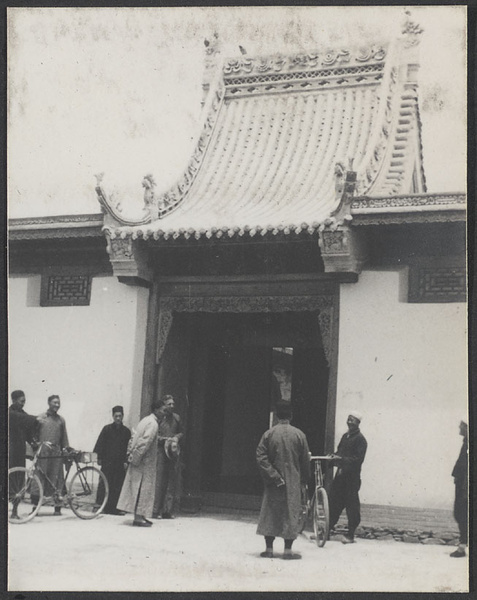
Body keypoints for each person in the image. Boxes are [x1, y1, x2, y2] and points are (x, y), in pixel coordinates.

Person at [256, 400, 310, 560]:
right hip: (293, 480)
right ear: (291, 416)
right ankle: (287, 551)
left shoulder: (269, 434)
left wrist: (273, 475)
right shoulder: (299, 435)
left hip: (274, 482)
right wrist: (304, 480)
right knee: (290, 512)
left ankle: (269, 549)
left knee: (271, 512)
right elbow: (305, 461)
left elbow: (260, 457)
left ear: (277, 416)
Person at [117, 399, 164, 527]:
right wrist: (136, 458)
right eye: (163, 410)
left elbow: (133, 437)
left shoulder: (145, 420)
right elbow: (145, 442)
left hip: (139, 460)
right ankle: (138, 517)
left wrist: (130, 454)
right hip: (144, 462)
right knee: (142, 489)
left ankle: (141, 515)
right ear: (156, 410)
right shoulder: (153, 424)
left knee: (140, 488)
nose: (164, 413)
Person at [328, 411, 367, 544]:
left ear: (358, 423)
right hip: (340, 477)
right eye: (348, 419)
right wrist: (333, 457)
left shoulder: (361, 440)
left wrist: (341, 459)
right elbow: (339, 452)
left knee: (352, 507)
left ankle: (350, 535)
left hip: (351, 479)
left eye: (353, 420)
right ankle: (327, 531)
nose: (349, 422)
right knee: (333, 504)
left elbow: (357, 460)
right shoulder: (345, 437)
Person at [34, 395, 70, 515]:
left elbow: (64, 437)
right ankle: (35, 507)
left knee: (57, 479)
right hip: (43, 453)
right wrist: (35, 446)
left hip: (56, 454)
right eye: (54, 402)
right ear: (48, 403)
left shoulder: (61, 420)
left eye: (58, 403)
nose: (57, 405)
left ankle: (57, 507)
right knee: (39, 478)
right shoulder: (41, 418)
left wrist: (65, 450)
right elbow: (34, 435)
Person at [93, 405, 131, 515]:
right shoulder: (107, 429)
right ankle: (100, 506)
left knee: (117, 485)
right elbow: (100, 443)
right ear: (113, 417)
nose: (118, 418)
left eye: (120, 416)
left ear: (123, 416)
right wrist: (99, 457)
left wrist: (126, 461)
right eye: (116, 416)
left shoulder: (126, 432)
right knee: (104, 483)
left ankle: (114, 508)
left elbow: (128, 448)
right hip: (107, 462)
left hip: (119, 464)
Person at [152, 395, 184, 520]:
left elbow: (181, 432)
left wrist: (176, 438)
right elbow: (154, 435)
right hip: (161, 452)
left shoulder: (176, 418)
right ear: (164, 405)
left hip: (172, 453)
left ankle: (167, 510)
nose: (171, 406)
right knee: (160, 481)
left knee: (171, 481)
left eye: (173, 404)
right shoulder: (160, 418)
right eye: (169, 404)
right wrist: (165, 440)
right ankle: (156, 510)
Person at [450, 419, 468, 558]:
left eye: (461, 424)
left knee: (461, 513)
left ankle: (462, 547)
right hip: (462, 485)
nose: (459, 427)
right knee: (460, 513)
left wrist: (464, 487)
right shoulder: (466, 443)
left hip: (464, 487)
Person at [8, 390, 37, 470]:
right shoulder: (9, 413)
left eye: (24, 401)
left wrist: (34, 444)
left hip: (20, 450)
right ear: (14, 401)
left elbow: (29, 433)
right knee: (10, 474)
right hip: (10, 450)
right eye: (21, 401)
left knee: (20, 473)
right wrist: (37, 418)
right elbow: (23, 418)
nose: (23, 404)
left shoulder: (23, 414)